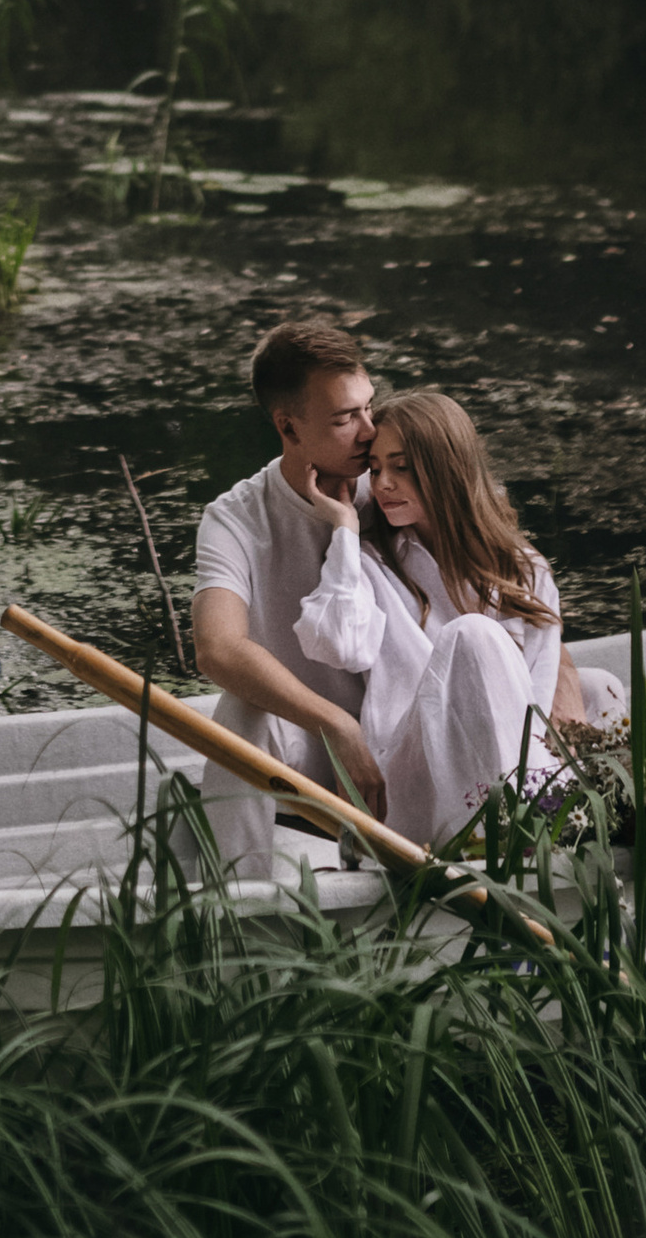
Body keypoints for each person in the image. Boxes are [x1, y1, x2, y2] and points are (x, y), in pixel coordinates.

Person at [294, 388, 614, 848]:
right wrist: (344, 529)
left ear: (447, 468)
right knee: (474, 635)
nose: (382, 485)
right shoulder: (371, 563)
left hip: (508, 778)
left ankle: (566, 829)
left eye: (401, 468)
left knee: (599, 687)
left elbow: (535, 703)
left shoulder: (525, 569)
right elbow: (338, 645)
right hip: (408, 788)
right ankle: (514, 837)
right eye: (377, 469)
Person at [191, 317, 387, 875]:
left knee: (597, 685)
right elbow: (218, 649)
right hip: (314, 751)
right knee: (242, 713)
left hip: (408, 728)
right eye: (346, 418)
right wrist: (336, 725)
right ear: (289, 427)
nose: (371, 430)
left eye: (369, 406)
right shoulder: (236, 517)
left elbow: (500, 576)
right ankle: (239, 904)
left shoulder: (397, 481)